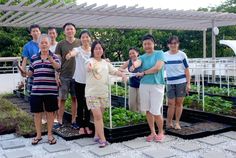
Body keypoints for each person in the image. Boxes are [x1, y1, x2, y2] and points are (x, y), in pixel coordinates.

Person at [85, 40, 127, 147]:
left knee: (99, 117)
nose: (98, 50)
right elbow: (88, 67)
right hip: (91, 94)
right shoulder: (89, 60)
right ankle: (103, 140)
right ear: (93, 50)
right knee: (98, 116)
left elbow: (114, 71)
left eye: (100, 48)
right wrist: (90, 67)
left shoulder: (106, 63)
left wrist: (122, 74)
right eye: (96, 48)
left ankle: (96, 135)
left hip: (103, 93)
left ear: (103, 50)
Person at [21, 34, 60, 145]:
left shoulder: (54, 57)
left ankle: (49, 135)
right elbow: (31, 73)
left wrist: (51, 60)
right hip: (36, 91)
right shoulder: (33, 57)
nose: (43, 45)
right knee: (37, 114)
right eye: (41, 43)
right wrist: (25, 74)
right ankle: (38, 135)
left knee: (50, 114)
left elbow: (58, 67)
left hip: (51, 91)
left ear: (49, 44)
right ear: (38, 44)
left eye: (45, 43)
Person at [135, 34, 166, 142]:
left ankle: (161, 132)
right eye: (145, 44)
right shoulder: (142, 57)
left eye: (149, 43)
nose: (147, 46)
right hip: (144, 85)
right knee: (148, 110)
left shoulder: (160, 53)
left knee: (156, 111)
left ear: (153, 44)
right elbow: (137, 62)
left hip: (157, 85)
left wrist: (143, 72)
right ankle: (152, 132)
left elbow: (157, 68)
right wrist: (133, 65)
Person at [66, 29, 92, 135]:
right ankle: (81, 126)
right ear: (80, 39)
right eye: (83, 37)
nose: (85, 39)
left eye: (87, 37)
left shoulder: (93, 50)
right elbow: (73, 53)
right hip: (79, 81)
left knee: (88, 105)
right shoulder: (78, 49)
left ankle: (87, 125)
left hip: (90, 82)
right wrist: (70, 55)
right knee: (80, 104)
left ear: (90, 38)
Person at [54, 23, 80, 130]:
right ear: (64, 32)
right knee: (62, 99)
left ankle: (74, 120)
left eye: (71, 29)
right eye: (67, 29)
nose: (70, 31)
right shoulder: (60, 44)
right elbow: (57, 61)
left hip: (77, 76)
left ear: (75, 30)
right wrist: (57, 75)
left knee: (75, 98)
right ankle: (59, 120)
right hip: (64, 75)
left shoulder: (80, 42)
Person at [164, 36, 191, 130]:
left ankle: (177, 123)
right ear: (168, 45)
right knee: (171, 103)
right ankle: (169, 122)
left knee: (179, 103)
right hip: (170, 82)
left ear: (178, 44)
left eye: (175, 43)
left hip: (181, 82)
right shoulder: (164, 55)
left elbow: (187, 70)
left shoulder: (182, 55)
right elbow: (160, 68)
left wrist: (188, 83)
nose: (173, 45)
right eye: (171, 43)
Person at [119, 47, 141, 112]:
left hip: (141, 84)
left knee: (141, 103)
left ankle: (142, 117)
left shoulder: (141, 60)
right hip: (132, 84)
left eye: (133, 53)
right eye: (130, 54)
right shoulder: (129, 62)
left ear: (137, 53)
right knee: (131, 103)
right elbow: (120, 68)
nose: (132, 55)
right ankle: (134, 118)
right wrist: (126, 72)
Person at [21, 24, 41, 94]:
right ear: (30, 33)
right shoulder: (27, 46)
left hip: (45, 71)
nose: (35, 33)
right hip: (32, 71)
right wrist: (23, 71)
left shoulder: (45, 43)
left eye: (37, 31)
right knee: (32, 93)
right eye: (33, 31)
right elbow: (24, 60)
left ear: (40, 32)